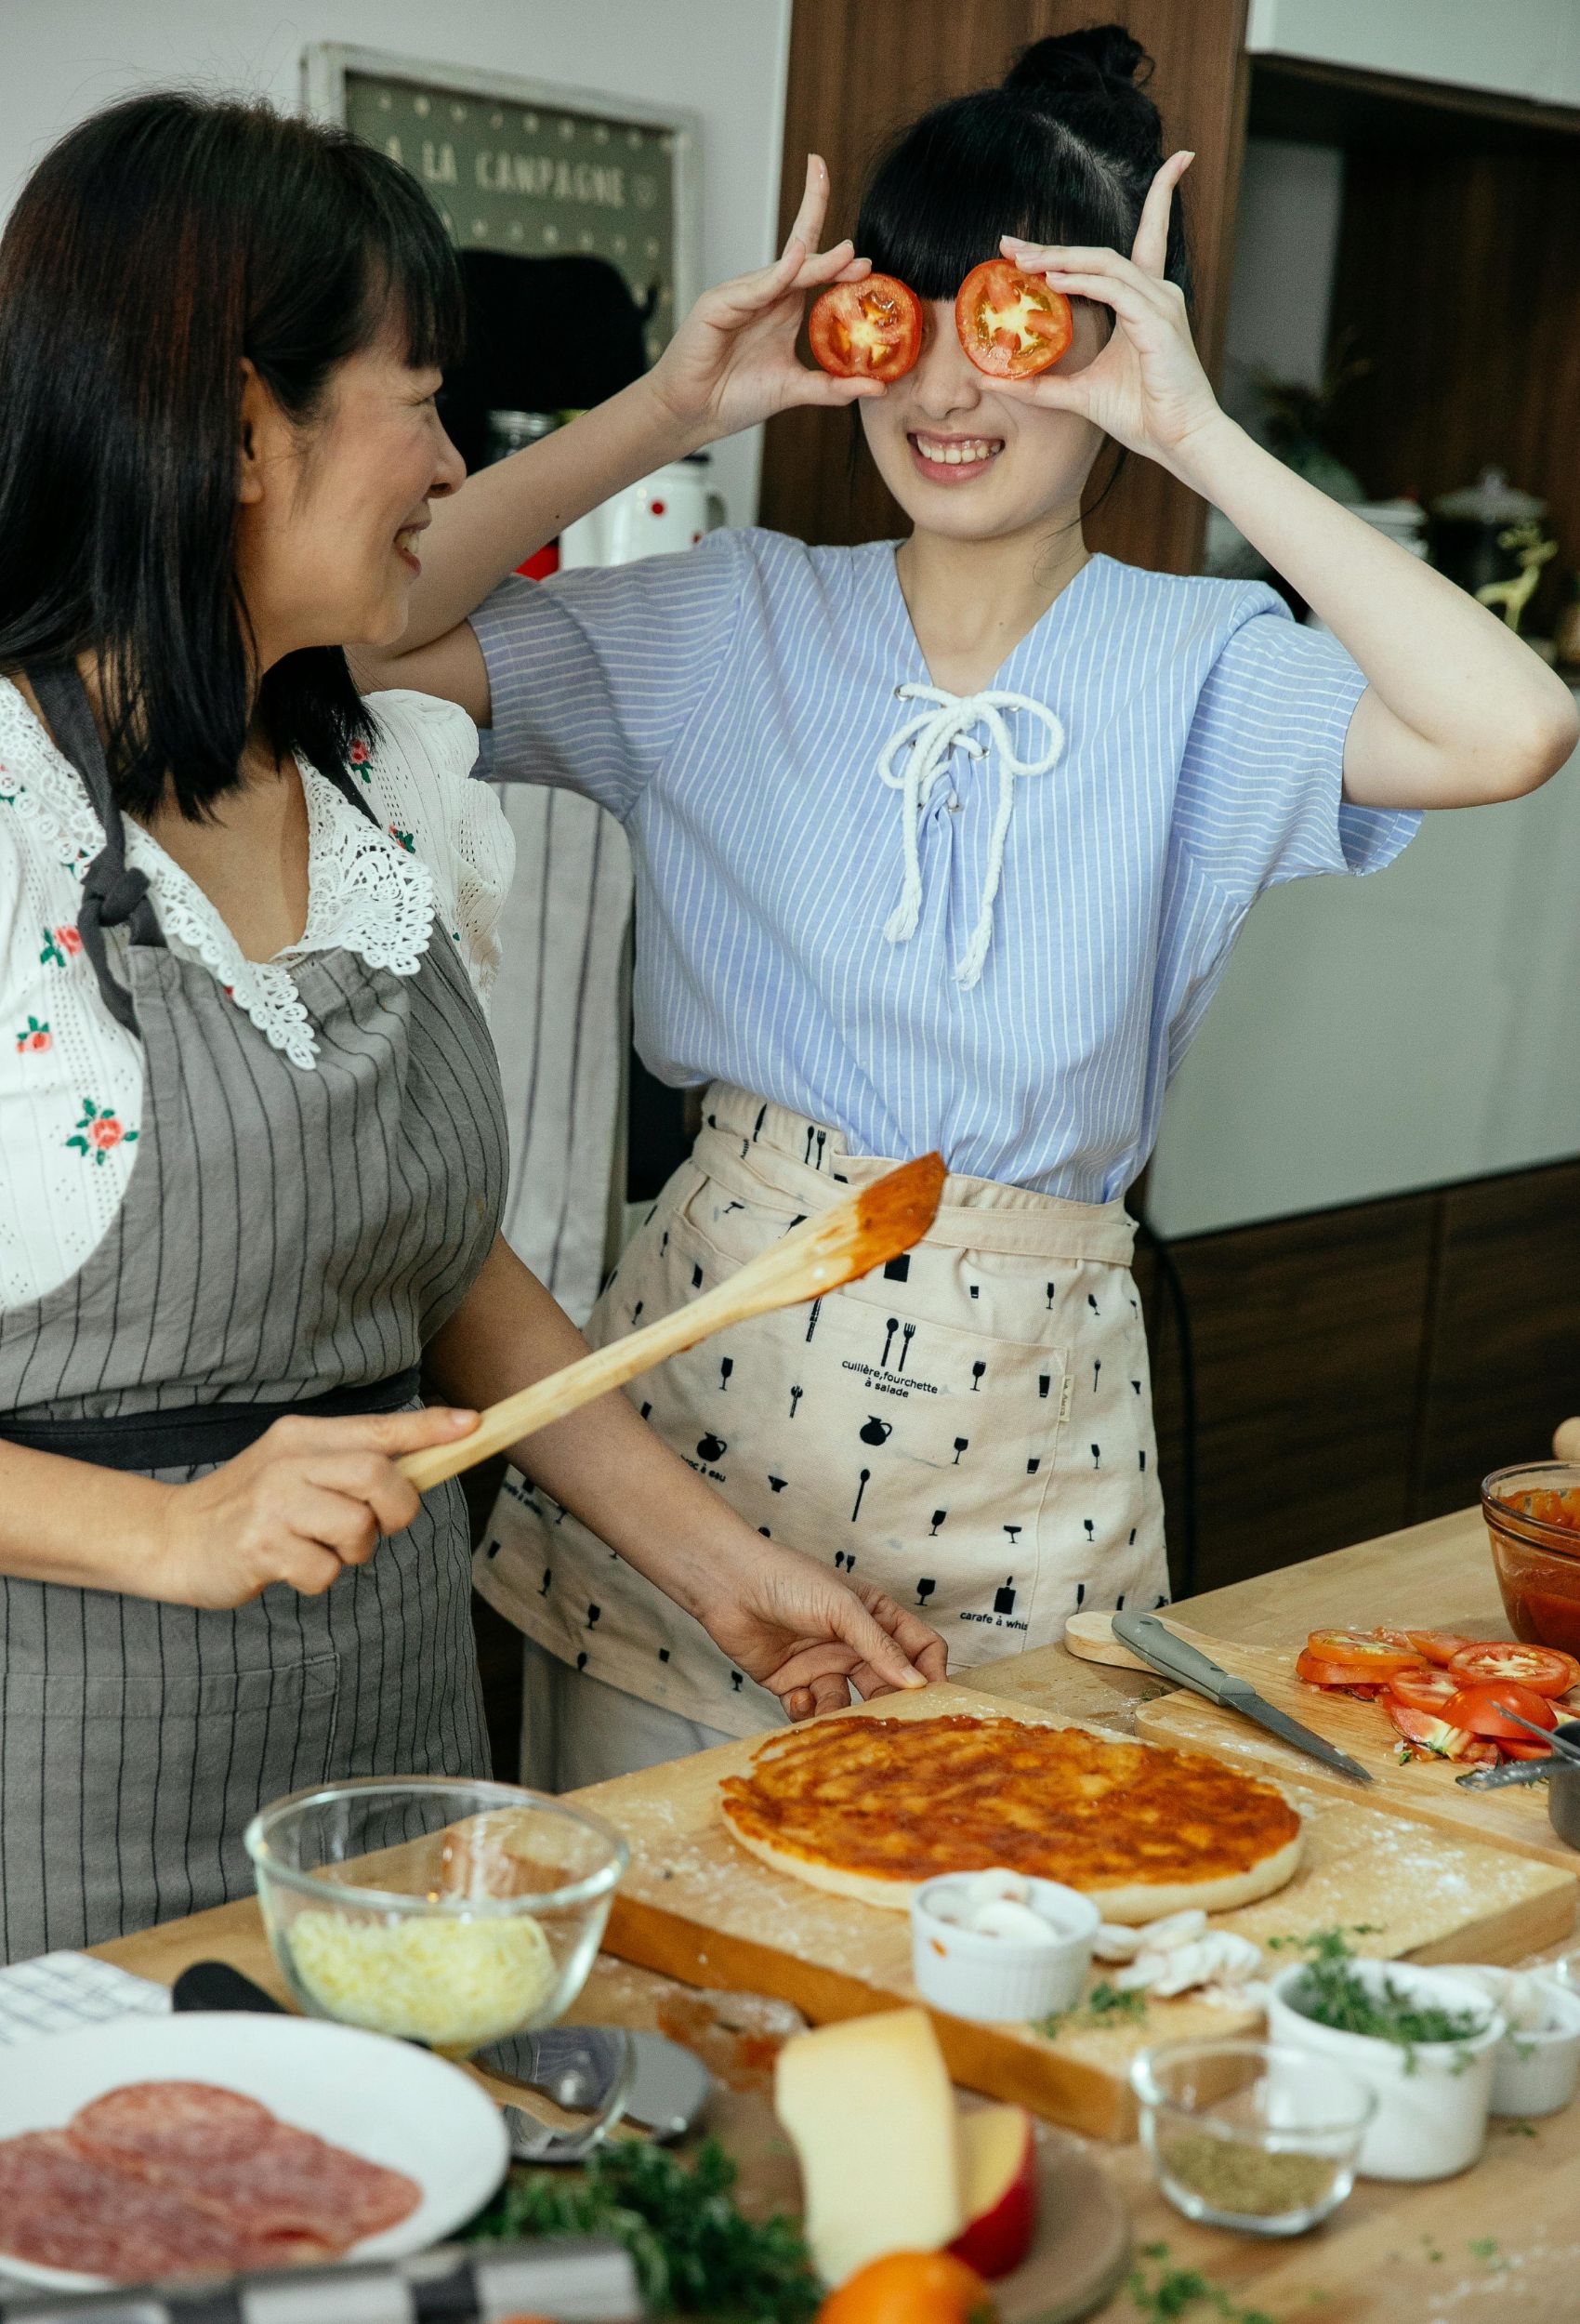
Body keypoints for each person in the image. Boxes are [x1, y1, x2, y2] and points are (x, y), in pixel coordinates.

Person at [366, 27, 1579, 1786]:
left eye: (1009, 329)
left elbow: (1518, 723)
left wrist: (1201, 434)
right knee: (644, 1960)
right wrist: (670, 409)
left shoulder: (1208, 665)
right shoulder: (724, 613)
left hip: (1033, 1419)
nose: (943, 391)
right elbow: (361, 638)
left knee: (988, 1921)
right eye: (895, 324)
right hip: (701, 1398)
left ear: (1106, 340)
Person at [0, 93, 944, 1962]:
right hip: (66, 1823)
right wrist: (170, 1533)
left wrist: (715, 1572)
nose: (453, 457)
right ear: (233, 421)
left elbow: (435, 1273)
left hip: (400, 1770)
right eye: (417, 395)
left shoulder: (366, 778)